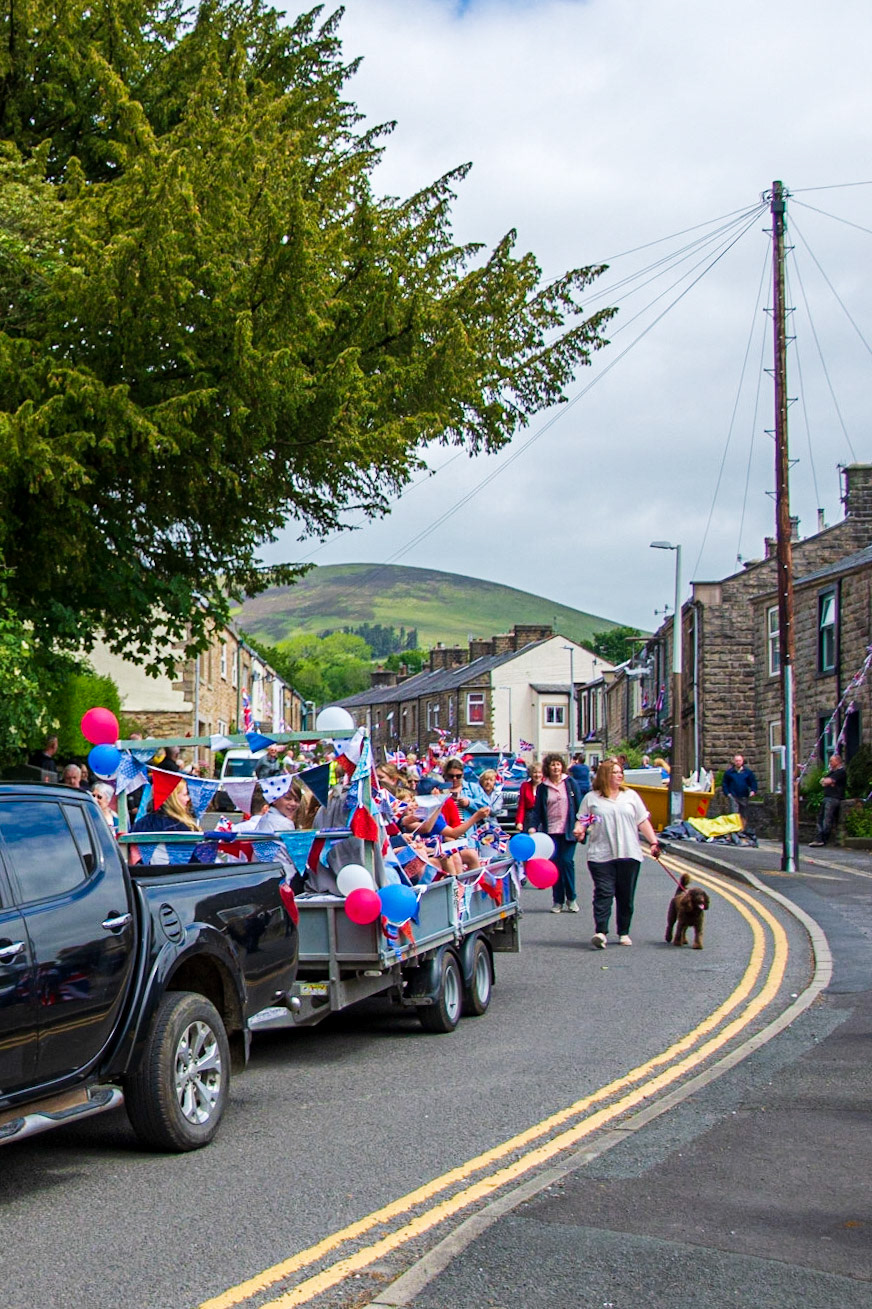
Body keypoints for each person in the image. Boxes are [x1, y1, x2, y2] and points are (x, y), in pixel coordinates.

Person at [575, 757, 661, 949]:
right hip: (600, 854)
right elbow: (583, 820)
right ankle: (601, 932)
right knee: (603, 892)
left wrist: (654, 842)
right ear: (605, 775)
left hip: (629, 853)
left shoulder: (630, 796)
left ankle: (623, 932)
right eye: (615, 772)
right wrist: (579, 830)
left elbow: (642, 821)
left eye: (621, 772)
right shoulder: (592, 798)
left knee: (625, 895)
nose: (619, 775)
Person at [528, 753, 582, 913]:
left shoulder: (570, 783)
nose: (555, 767)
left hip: (568, 831)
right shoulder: (543, 787)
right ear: (548, 768)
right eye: (552, 765)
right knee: (555, 867)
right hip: (550, 832)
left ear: (562, 766)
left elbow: (580, 806)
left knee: (567, 862)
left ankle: (571, 898)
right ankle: (557, 901)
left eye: (558, 764)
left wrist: (582, 825)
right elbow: (537, 810)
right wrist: (532, 826)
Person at [810, 752, 847, 846]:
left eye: (831, 761)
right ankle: (818, 838)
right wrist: (827, 782)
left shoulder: (841, 772)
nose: (829, 762)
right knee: (820, 818)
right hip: (827, 797)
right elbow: (822, 781)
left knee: (827, 819)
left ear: (837, 761)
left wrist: (828, 782)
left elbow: (827, 781)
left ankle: (823, 839)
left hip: (834, 798)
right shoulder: (832, 772)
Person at [721, 753, 757, 830]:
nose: (738, 762)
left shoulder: (747, 772)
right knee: (734, 813)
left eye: (739, 761)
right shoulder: (729, 773)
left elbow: (753, 782)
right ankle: (734, 830)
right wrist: (727, 793)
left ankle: (742, 830)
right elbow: (725, 783)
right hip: (733, 796)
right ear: (734, 761)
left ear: (742, 761)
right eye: (736, 761)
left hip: (744, 795)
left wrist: (753, 791)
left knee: (743, 814)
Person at [515, 761, 543, 831]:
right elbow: (521, 805)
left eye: (539, 772)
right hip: (528, 817)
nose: (537, 775)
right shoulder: (525, 786)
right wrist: (519, 822)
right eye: (535, 772)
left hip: (542, 817)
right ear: (530, 774)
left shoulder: (545, 786)